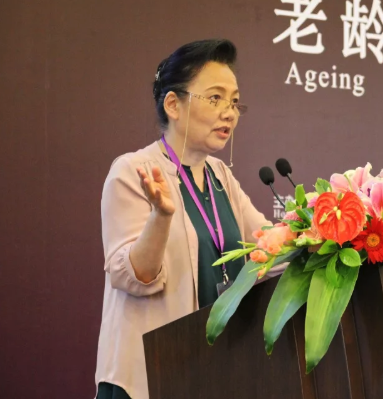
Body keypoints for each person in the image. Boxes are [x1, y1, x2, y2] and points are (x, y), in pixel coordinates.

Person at [95, 40, 272, 399]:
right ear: (173, 104)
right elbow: (134, 277)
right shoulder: (132, 171)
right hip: (148, 379)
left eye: (234, 102)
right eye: (215, 98)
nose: (229, 113)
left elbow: (269, 244)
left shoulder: (220, 175)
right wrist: (161, 216)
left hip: (211, 374)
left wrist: (323, 232)